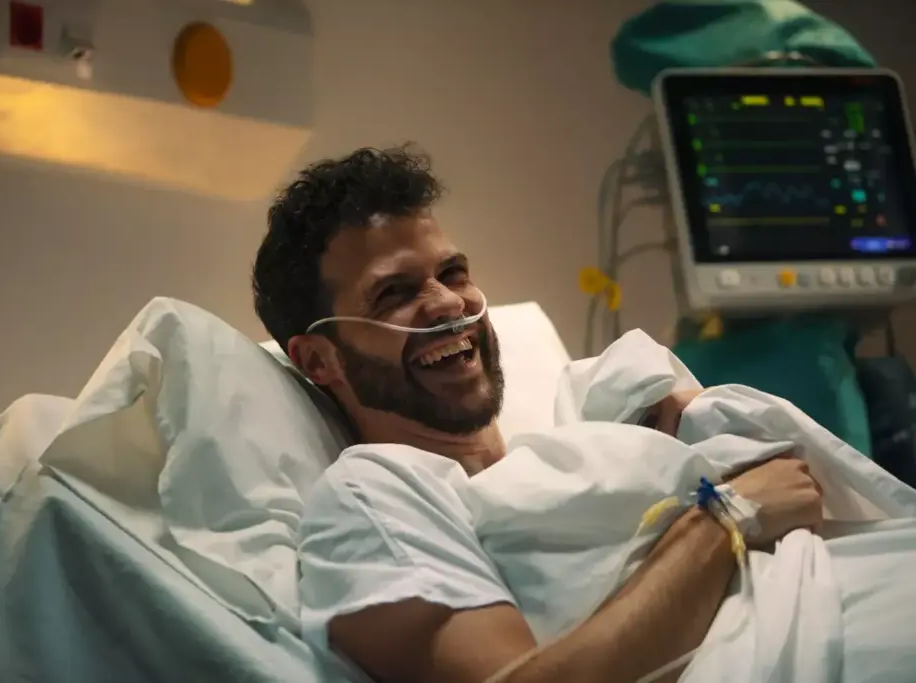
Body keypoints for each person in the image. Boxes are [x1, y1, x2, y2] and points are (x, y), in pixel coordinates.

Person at [251, 146, 823, 683]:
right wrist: (724, 519)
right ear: (319, 359)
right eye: (394, 293)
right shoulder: (373, 496)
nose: (449, 303)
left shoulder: (595, 424)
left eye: (452, 273)